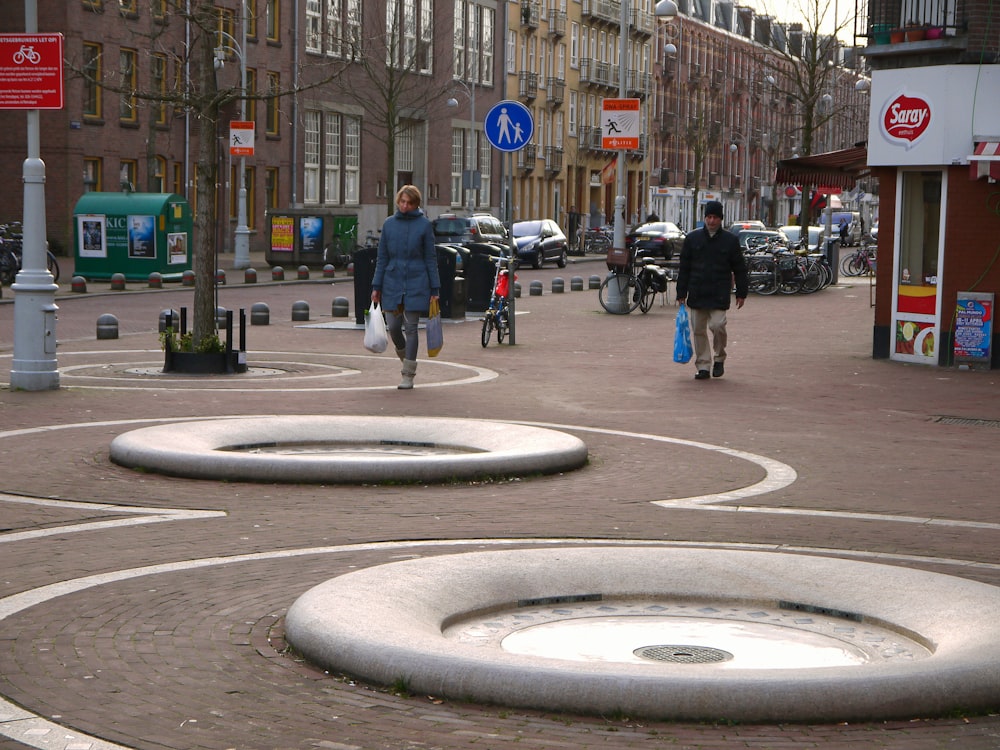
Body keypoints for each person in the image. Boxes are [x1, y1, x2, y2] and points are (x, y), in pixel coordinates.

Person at [370, 185, 440, 390]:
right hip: (392, 281)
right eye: (402, 202)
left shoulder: (424, 226)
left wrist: (434, 289)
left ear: (416, 204)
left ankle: (408, 374)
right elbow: (382, 257)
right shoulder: (389, 224)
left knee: (411, 328)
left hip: (417, 282)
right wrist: (376, 286)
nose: (405, 206)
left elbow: (430, 258)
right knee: (392, 326)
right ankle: (404, 355)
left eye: (409, 203)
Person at [675, 200, 748, 380]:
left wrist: (741, 293)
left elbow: (739, 267)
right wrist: (681, 293)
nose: (711, 221)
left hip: (719, 292)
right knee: (698, 330)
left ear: (721, 219)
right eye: (709, 217)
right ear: (705, 218)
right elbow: (684, 267)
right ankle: (703, 366)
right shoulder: (693, 239)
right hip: (697, 291)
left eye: (715, 217)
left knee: (717, 325)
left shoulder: (730, 241)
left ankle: (719, 357)